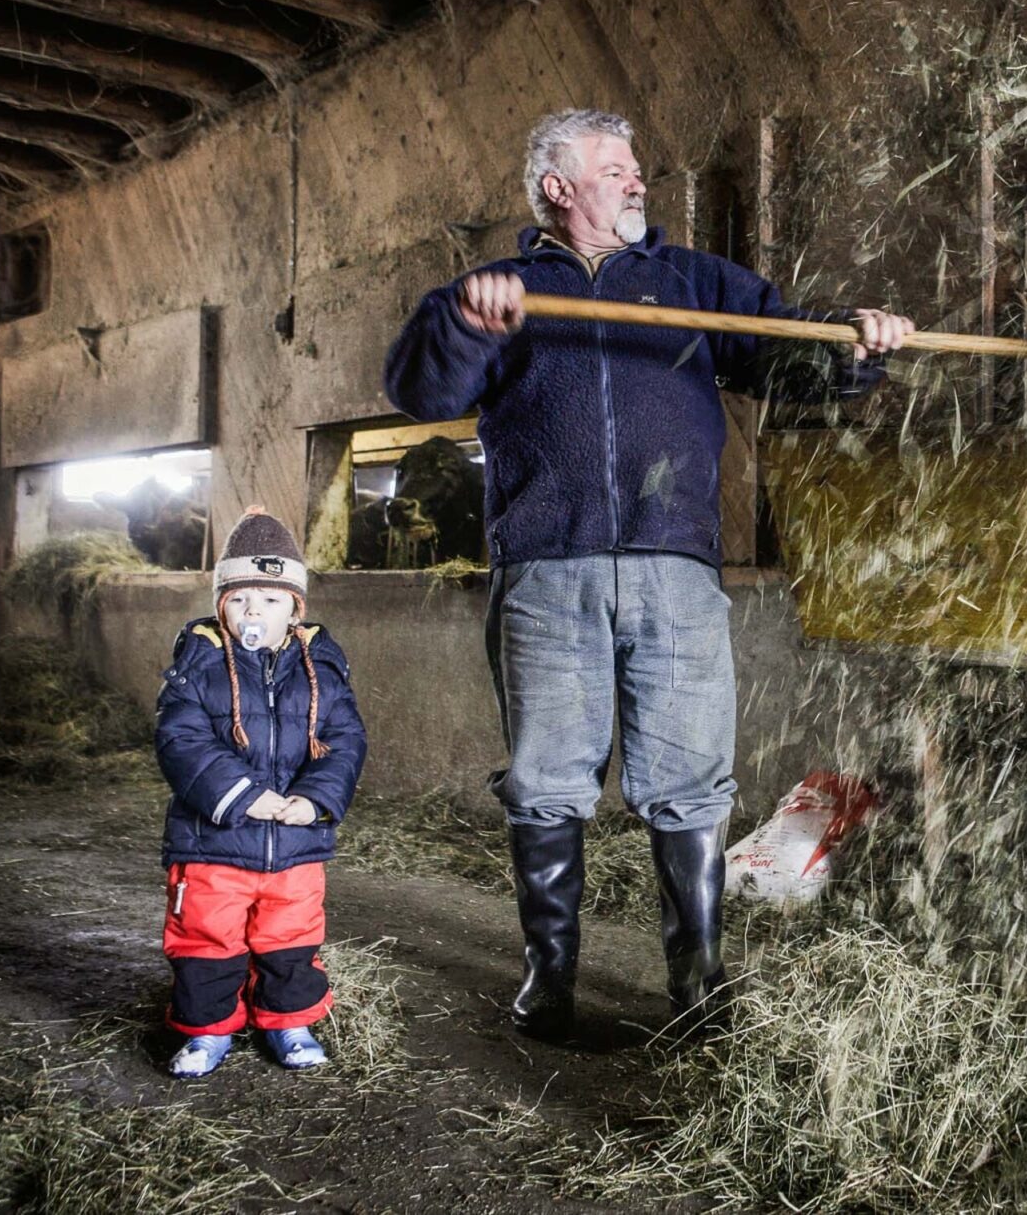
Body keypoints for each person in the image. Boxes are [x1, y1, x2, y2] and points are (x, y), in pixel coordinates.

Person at [383, 107, 912, 1038]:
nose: (637, 182)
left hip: (674, 567)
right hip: (548, 569)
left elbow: (788, 358)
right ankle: (549, 982)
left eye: (636, 171)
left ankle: (697, 984)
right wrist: (470, 326)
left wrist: (853, 347)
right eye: (616, 169)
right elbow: (421, 389)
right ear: (558, 186)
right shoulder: (497, 291)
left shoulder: (692, 283)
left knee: (690, 777)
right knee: (548, 777)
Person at [154, 508, 367, 1077]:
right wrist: (242, 794)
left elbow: (344, 740)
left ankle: (289, 1022)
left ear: (296, 609)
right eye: (241, 598)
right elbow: (181, 740)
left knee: (290, 937)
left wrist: (315, 800)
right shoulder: (197, 664)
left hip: (295, 843)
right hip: (213, 844)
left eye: (271, 600)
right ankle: (206, 1033)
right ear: (220, 603)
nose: (255, 612)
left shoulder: (320, 666)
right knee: (206, 938)